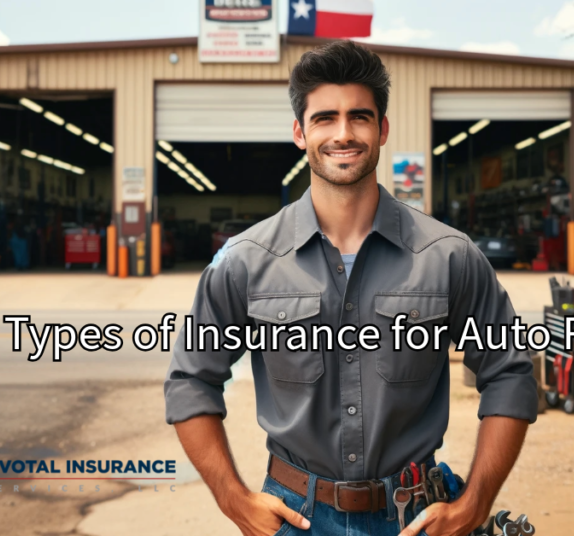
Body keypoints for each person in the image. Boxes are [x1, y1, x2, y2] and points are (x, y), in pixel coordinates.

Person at [165, 41, 537, 536]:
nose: (343, 134)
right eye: (325, 119)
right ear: (300, 132)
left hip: (413, 518)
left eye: (359, 117)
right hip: (294, 518)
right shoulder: (246, 262)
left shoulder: (448, 256)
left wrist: (474, 504)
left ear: (381, 129)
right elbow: (190, 380)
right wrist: (234, 500)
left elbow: (510, 372)